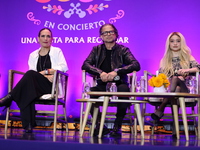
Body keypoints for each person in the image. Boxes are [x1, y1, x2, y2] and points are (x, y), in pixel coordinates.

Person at [0, 28, 68, 133]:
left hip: (51, 85)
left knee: (30, 75)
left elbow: (63, 67)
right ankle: (28, 126)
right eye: (43, 36)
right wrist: (44, 74)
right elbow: (33, 75)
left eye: (48, 36)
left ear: (52, 39)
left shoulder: (57, 51)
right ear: (38, 39)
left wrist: (46, 72)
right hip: (36, 85)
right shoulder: (33, 55)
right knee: (28, 89)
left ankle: (10, 97)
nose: (45, 39)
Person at [82, 23, 140, 137]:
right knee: (91, 94)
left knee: (124, 91)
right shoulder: (96, 49)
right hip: (102, 83)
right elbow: (85, 64)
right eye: (105, 32)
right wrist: (100, 73)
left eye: (111, 32)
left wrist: (117, 71)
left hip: (119, 82)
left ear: (116, 34)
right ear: (101, 36)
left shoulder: (123, 49)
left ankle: (117, 126)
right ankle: (100, 125)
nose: (108, 34)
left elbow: (136, 65)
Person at [151, 32, 200, 122]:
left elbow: (198, 69)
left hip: (186, 90)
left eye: (178, 41)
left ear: (182, 43)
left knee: (176, 79)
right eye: (172, 41)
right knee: (176, 86)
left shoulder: (188, 57)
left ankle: (161, 108)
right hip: (171, 90)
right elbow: (162, 78)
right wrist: (172, 80)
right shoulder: (164, 60)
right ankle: (175, 126)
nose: (175, 43)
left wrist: (186, 71)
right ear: (169, 43)